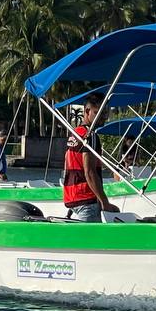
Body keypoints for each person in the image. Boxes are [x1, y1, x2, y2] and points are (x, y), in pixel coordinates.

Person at [63, 91, 119, 222]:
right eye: (98, 113)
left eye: (105, 113)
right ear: (87, 111)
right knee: (90, 241)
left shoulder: (75, 134)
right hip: (86, 198)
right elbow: (89, 172)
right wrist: (104, 202)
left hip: (72, 197)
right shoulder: (90, 136)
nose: (104, 117)